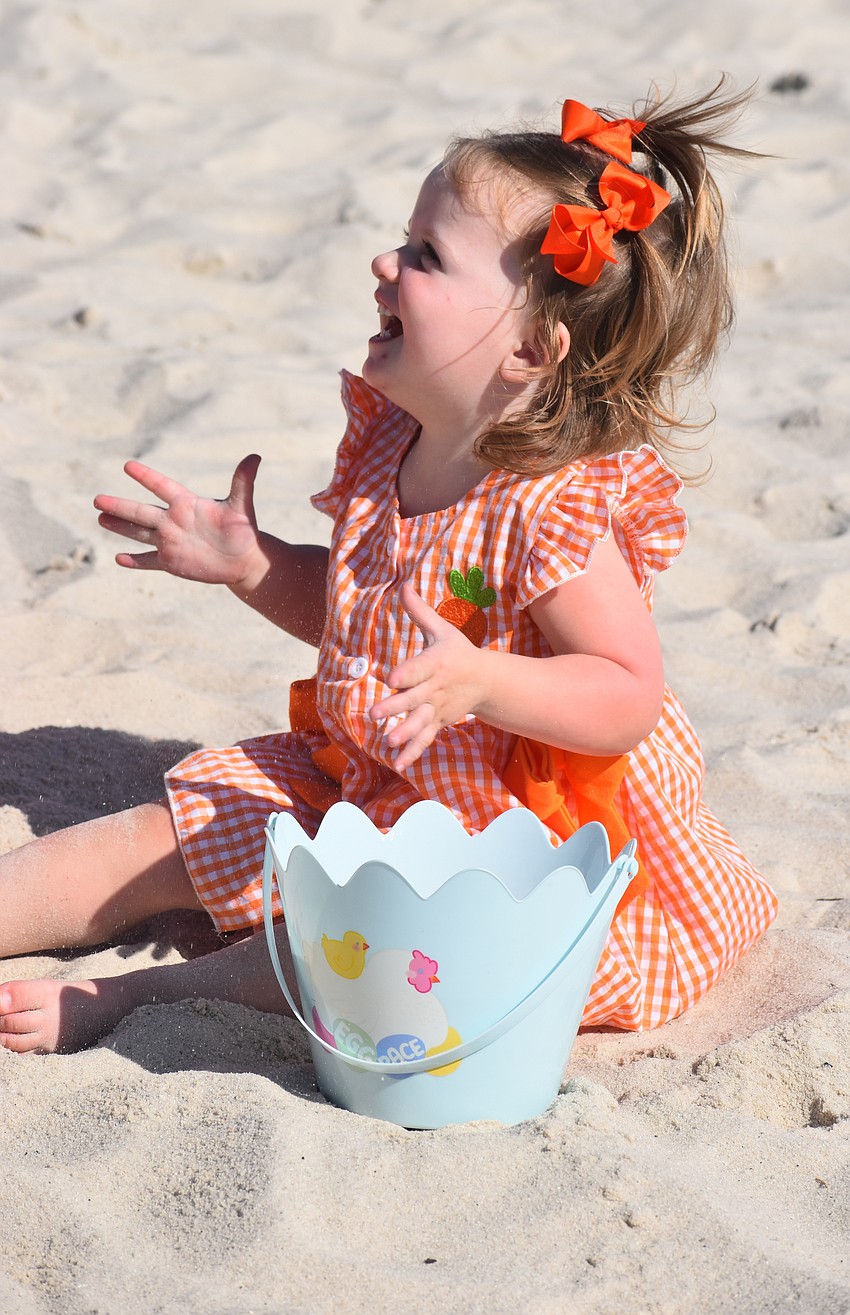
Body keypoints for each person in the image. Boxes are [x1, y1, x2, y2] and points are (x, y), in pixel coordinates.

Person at [0, 81, 778, 1056]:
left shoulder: (549, 508)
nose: (383, 262)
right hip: (365, 774)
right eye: (403, 239)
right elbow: (358, 615)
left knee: (367, 941)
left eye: (424, 256)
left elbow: (625, 691)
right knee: (167, 830)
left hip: (499, 835)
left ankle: (129, 999)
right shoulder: (392, 446)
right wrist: (255, 565)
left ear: (532, 347)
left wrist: (483, 681)